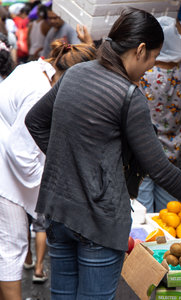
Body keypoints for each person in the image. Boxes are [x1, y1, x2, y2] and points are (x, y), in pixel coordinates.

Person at [25, 8, 181, 299]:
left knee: (62, 295)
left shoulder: (74, 74)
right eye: (153, 56)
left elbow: (35, 121)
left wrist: (69, 163)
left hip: (57, 212)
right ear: (140, 50)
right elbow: (160, 168)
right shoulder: (129, 97)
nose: (152, 65)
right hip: (99, 218)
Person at [0, 40, 96, 300]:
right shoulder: (42, 91)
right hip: (5, 167)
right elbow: (19, 151)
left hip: (8, 157)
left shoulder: (38, 68)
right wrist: (53, 191)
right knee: (13, 247)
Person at [137, 16, 181, 213]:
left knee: (143, 214)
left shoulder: (145, 74)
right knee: (167, 213)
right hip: (172, 154)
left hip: (144, 153)